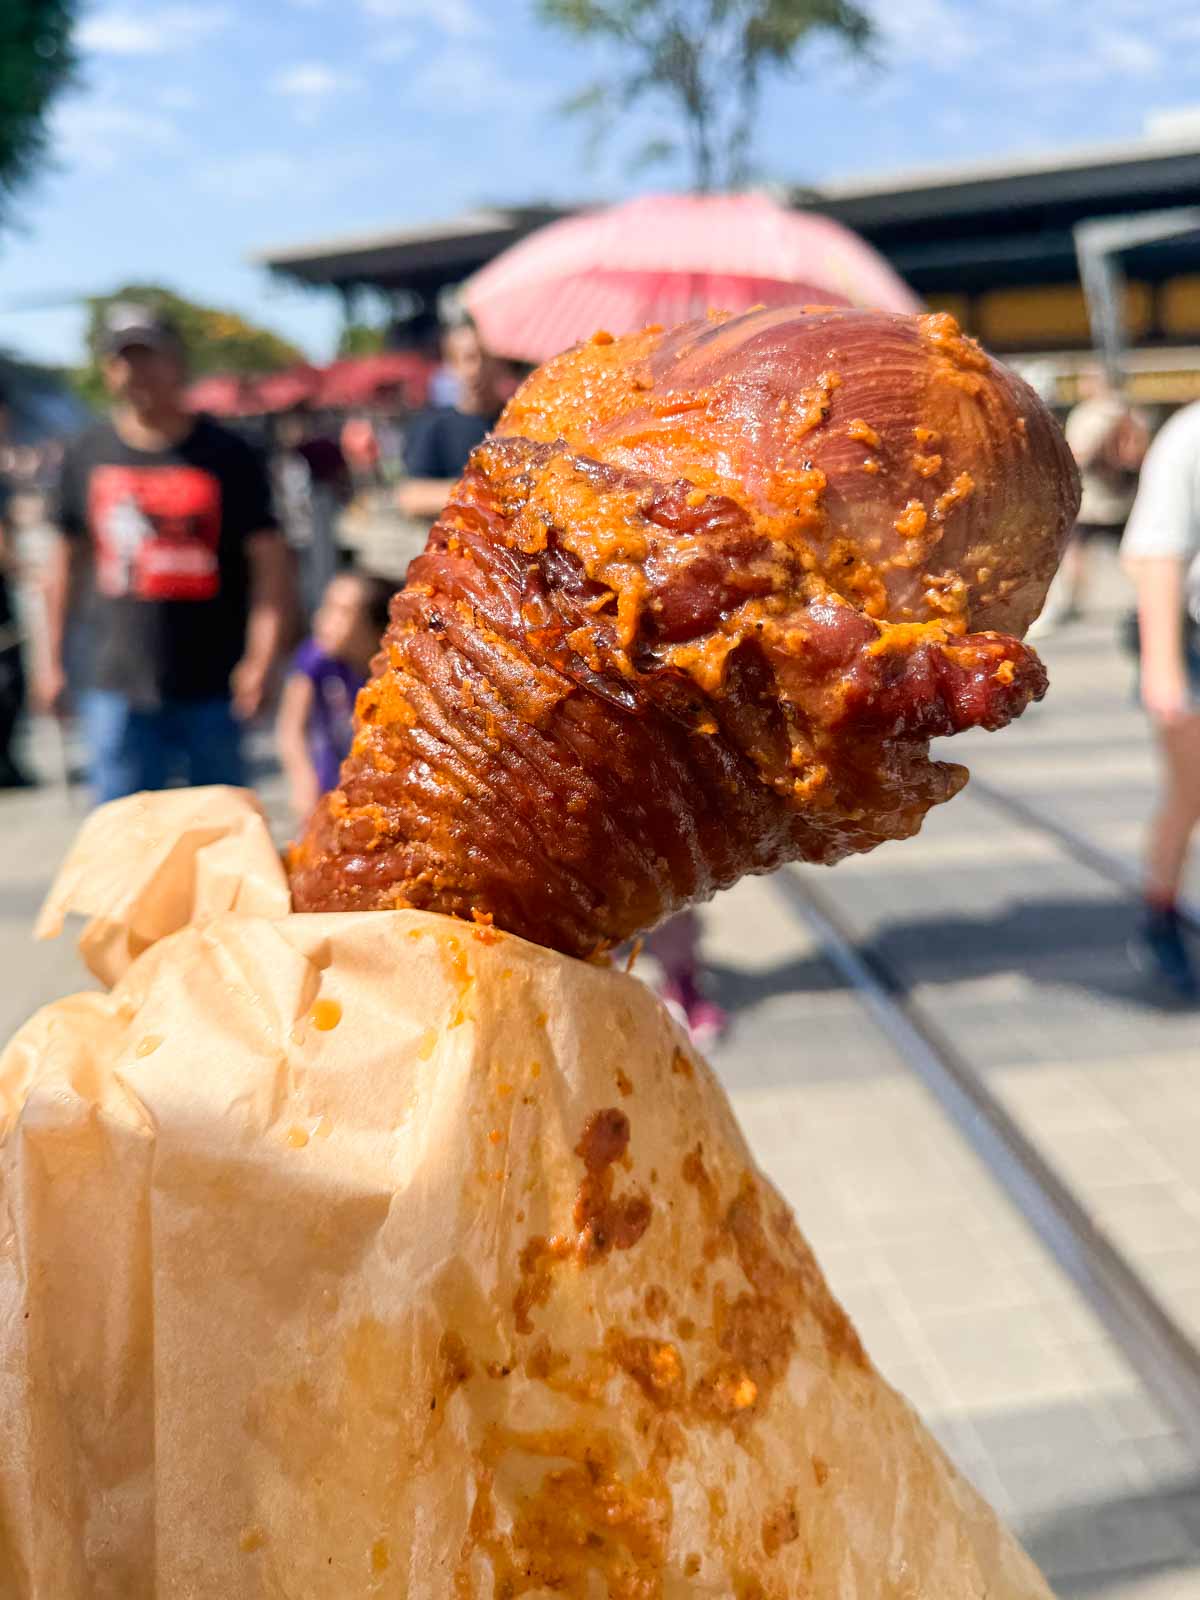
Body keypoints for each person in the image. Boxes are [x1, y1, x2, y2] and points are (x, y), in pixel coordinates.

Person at [39, 303, 291, 803]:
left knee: (221, 840)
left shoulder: (229, 454)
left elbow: (271, 566)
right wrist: (51, 662)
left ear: (178, 363)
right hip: (115, 683)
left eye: (149, 357)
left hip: (214, 684)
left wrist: (262, 658)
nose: (138, 372)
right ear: (109, 370)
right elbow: (64, 563)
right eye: (125, 360)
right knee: (121, 844)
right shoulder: (87, 452)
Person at [1120, 402, 1200, 999]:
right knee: (1190, 796)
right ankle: (1161, 914)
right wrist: (1163, 667)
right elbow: (1157, 555)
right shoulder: (1189, 435)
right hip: (1196, 650)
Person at [276, 568, 393, 824]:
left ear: (377, 628)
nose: (323, 619)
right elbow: (290, 727)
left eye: (343, 611)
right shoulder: (315, 658)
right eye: (326, 606)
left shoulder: (393, 675)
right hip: (328, 793)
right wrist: (303, 781)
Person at [1054, 368, 1148, 623]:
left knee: (1075, 551)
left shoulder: (1086, 415)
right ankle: (1150, 596)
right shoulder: (1130, 412)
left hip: (1092, 501)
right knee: (1133, 552)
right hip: (1124, 499)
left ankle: (1072, 603)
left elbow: (1076, 457)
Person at [397, 321, 504, 520]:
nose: (478, 368)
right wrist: (479, 492)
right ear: (453, 365)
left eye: (486, 357)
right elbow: (411, 496)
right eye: (469, 358)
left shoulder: (516, 419)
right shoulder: (434, 426)